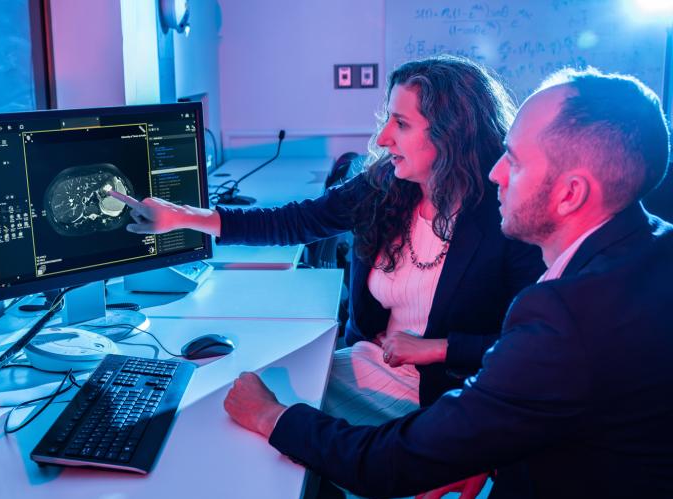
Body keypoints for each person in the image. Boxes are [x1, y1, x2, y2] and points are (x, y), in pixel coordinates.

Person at [222, 68, 673, 498]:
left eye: (513, 161)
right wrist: (492, 445)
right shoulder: (655, 248)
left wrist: (271, 416)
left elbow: (390, 463)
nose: (496, 172)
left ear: (571, 193)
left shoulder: (564, 320)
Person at [114, 55, 544, 424]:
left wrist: (437, 349)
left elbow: (534, 346)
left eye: (402, 124)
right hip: (374, 364)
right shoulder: (387, 185)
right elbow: (296, 221)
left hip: (445, 395)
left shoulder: (506, 216)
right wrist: (185, 218)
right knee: (238, 391)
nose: (382, 138)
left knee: (243, 408)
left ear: (451, 134)